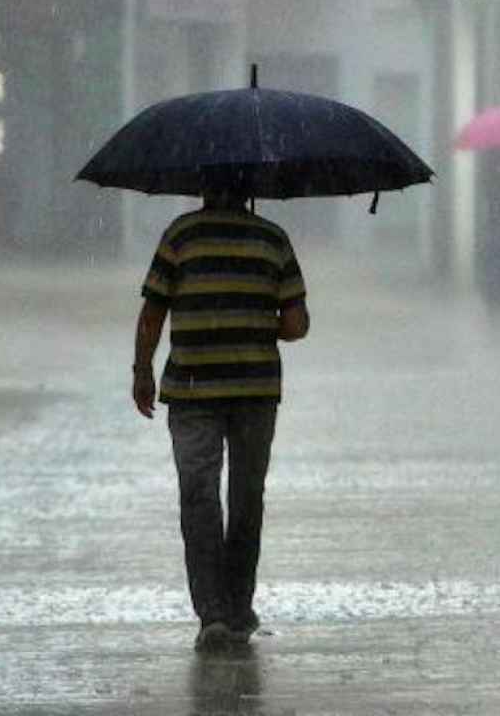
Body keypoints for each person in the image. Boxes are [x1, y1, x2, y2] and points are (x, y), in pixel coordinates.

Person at [133, 183, 310, 652]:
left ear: (203, 186)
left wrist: (141, 371)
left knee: (199, 499)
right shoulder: (273, 240)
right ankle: (237, 607)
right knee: (247, 499)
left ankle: (211, 613)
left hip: (191, 390)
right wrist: (252, 318)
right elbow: (297, 325)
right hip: (255, 391)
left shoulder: (180, 236)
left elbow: (152, 312)